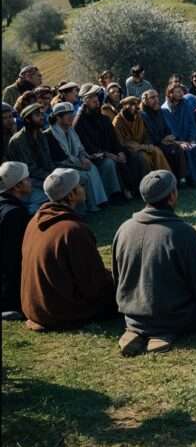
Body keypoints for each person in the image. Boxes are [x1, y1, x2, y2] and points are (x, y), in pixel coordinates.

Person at [112, 170, 196, 355]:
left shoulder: (124, 228)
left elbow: (117, 276)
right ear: (172, 196)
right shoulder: (181, 232)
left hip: (132, 314)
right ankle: (161, 332)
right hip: (175, 317)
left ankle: (139, 331)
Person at [20, 168, 116, 331]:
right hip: (60, 312)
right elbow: (93, 285)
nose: (84, 189)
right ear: (71, 195)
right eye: (80, 186)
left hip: (34, 307)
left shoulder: (34, 222)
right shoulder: (72, 230)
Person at [73, 85, 137, 199]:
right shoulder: (79, 123)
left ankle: (133, 189)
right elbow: (87, 146)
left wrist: (119, 152)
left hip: (111, 152)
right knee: (108, 163)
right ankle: (115, 195)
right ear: (85, 101)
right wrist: (107, 154)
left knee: (129, 155)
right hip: (95, 156)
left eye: (97, 99)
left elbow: (114, 139)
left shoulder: (104, 119)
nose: (97, 102)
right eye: (93, 100)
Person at [47, 101, 109, 212]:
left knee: (92, 167)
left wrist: (84, 157)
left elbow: (80, 148)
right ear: (58, 118)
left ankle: (100, 201)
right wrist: (80, 164)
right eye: (67, 114)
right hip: (61, 168)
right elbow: (60, 159)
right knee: (83, 174)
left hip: (75, 162)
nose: (71, 117)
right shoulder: (50, 134)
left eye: (72, 113)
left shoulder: (70, 130)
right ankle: (90, 206)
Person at [5, 103, 55, 213]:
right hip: (24, 181)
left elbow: (47, 159)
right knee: (47, 195)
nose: (42, 117)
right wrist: (49, 177)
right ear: (27, 120)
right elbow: (29, 168)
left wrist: (54, 173)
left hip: (41, 176)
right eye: (37, 115)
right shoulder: (19, 140)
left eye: (42, 114)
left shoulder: (40, 134)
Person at [161, 84, 196, 185]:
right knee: (187, 150)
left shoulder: (186, 104)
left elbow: (191, 122)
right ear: (170, 94)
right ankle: (193, 179)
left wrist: (193, 138)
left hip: (189, 138)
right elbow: (170, 129)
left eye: (181, 91)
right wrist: (180, 142)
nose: (180, 94)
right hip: (176, 141)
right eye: (177, 92)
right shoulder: (165, 109)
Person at [1, 162, 32, 319]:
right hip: (9, 290)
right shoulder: (14, 214)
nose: (30, 181)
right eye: (27, 179)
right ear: (17, 186)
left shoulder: (7, 208)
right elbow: (15, 258)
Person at [112, 95, 172, 175]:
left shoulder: (139, 117)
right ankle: (150, 183)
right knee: (144, 158)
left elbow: (146, 134)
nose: (134, 107)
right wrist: (141, 147)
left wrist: (148, 145)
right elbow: (122, 143)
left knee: (157, 151)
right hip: (130, 150)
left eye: (136, 105)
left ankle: (167, 178)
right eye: (131, 105)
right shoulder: (117, 121)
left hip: (143, 146)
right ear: (124, 106)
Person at [139, 90, 188, 181]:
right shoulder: (142, 115)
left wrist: (169, 137)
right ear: (145, 101)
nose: (156, 100)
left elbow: (167, 129)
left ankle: (180, 178)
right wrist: (161, 140)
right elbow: (147, 135)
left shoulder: (160, 112)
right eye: (152, 98)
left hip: (164, 141)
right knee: (170, 151)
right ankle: (170, 180)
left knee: (178, 148)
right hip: (152, 145)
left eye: (157, 97)